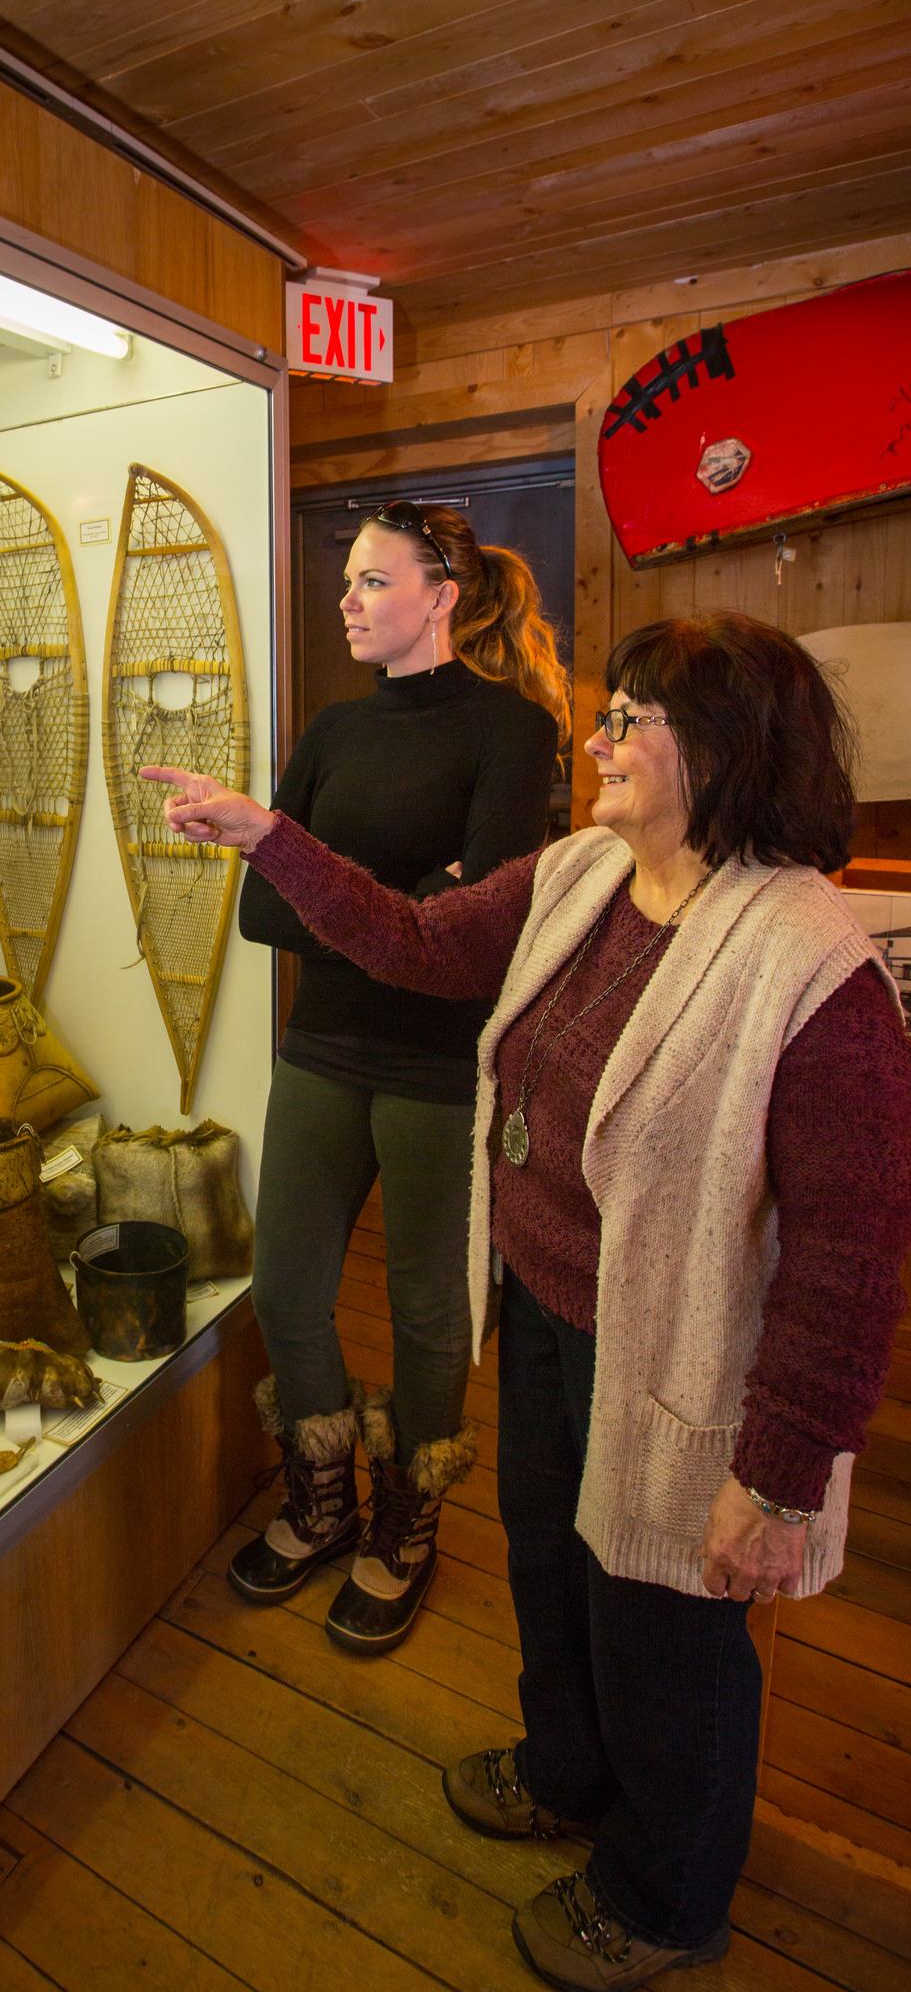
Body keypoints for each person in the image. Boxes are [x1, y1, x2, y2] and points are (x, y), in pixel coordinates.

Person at [144, 611, 911, 1992]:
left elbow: (852, 1259)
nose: (600, 743)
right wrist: (272, 839)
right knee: (554, 1566)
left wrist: (780, 1474)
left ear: (725, 752)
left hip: (681, 1363)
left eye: (632, 721)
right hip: (555, 1313)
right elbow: (421, 939)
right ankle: (566, 1773)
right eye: (607, 714)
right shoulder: (585, 876)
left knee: (665, 1626)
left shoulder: (813, 969)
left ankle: (663, 1895)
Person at [229, 498, 566, 1661]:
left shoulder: (511, 735)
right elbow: (261, 903)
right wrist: (404, 897)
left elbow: (475, 936)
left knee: (430, 1312)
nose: (348, 602)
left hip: (440, 1061)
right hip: (322, 1049)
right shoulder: (330, 729)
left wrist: (361, 890)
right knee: (284, 1289)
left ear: (442, 596)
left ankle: (406, 1519)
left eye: (372, 582)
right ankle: (321, 1495)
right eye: (348, 584)